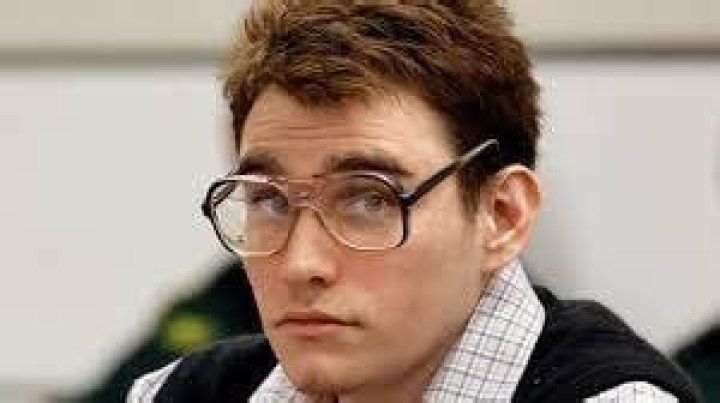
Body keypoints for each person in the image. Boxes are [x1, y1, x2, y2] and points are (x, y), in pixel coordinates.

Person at [128, 1, 700, 401]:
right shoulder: (177, 394)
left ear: (503, 216)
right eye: (270, 201)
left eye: (369, 200)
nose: (301, 264)